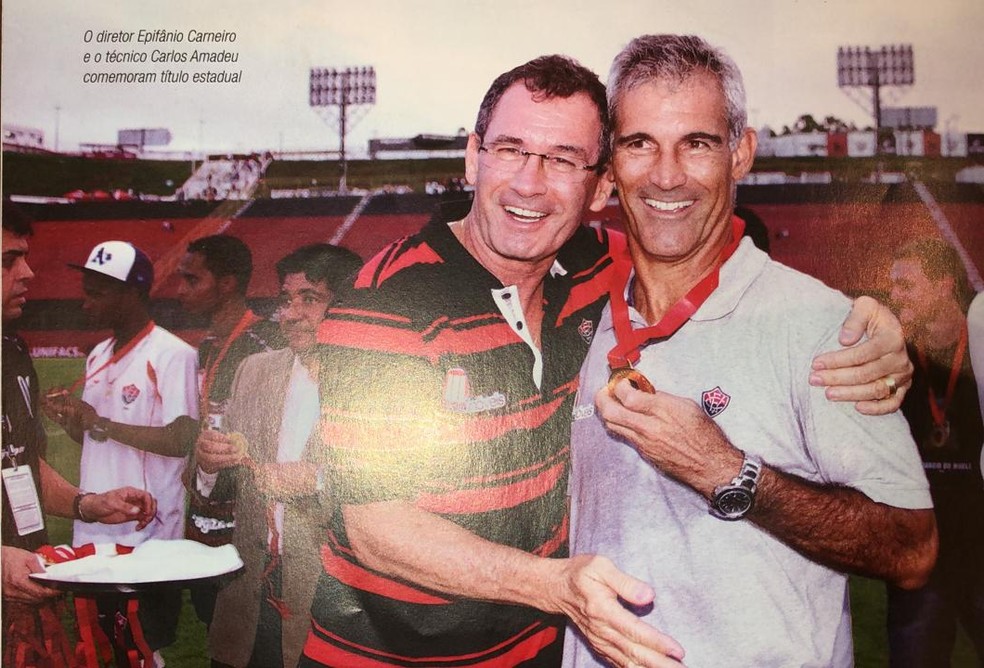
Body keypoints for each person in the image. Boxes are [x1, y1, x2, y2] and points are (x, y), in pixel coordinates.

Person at [300, 55, 916, 668]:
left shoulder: (594, 270)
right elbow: (374, 525)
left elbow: (696, 251)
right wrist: (553, 585)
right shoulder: (385, 299)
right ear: (473, 155)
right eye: (510, 149)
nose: (529, 184)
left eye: (563, 159)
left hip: (538, 657)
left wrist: (871, 322)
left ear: (600, 187)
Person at [563, 35, 937, 668]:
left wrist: (730, 473)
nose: (666, 174)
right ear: (610, 166)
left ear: (740, 154)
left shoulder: (819, 324)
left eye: (697, 143)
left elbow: (911, 550)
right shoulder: (579, 317)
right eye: (640, 143)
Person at [2, 203, 158, 664]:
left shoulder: (11, 350)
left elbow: (19, 462)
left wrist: (87, 503)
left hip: (22, 582)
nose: (28, 272)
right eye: (9, 260)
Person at [199, 243, 361, 668]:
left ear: (345, 305)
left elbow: (405, 485)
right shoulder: (254, 370)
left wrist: (319, 479)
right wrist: (206, 461)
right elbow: (208, 475)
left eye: (309, 299)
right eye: (285, 300)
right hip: (246, 602)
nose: (289, 314)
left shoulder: (379, 382)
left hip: (327, 609)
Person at [43, 239, 199, 663]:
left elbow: (183, 437)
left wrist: (100, 422)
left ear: (132, 293)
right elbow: (97, 441)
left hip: (147, 531)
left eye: (98, 291)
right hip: (97, 523)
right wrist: (72, 420)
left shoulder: (173, 354)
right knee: (103, 647)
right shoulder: (98, 354)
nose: (85, 301)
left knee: (144, 647)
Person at [886, 238, 984, 666]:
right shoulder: (895, 356)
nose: (894, 295)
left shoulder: (980, 346)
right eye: (892, 286)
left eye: (906, 285)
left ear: (944, 285)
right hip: (923, 554)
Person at [176, 234, 281, 627]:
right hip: (206, 520)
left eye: (192, 280)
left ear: (227, 283)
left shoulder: (265, 344)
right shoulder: (206, 346)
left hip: (246, 529)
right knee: (214, 631)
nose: (181, 291)